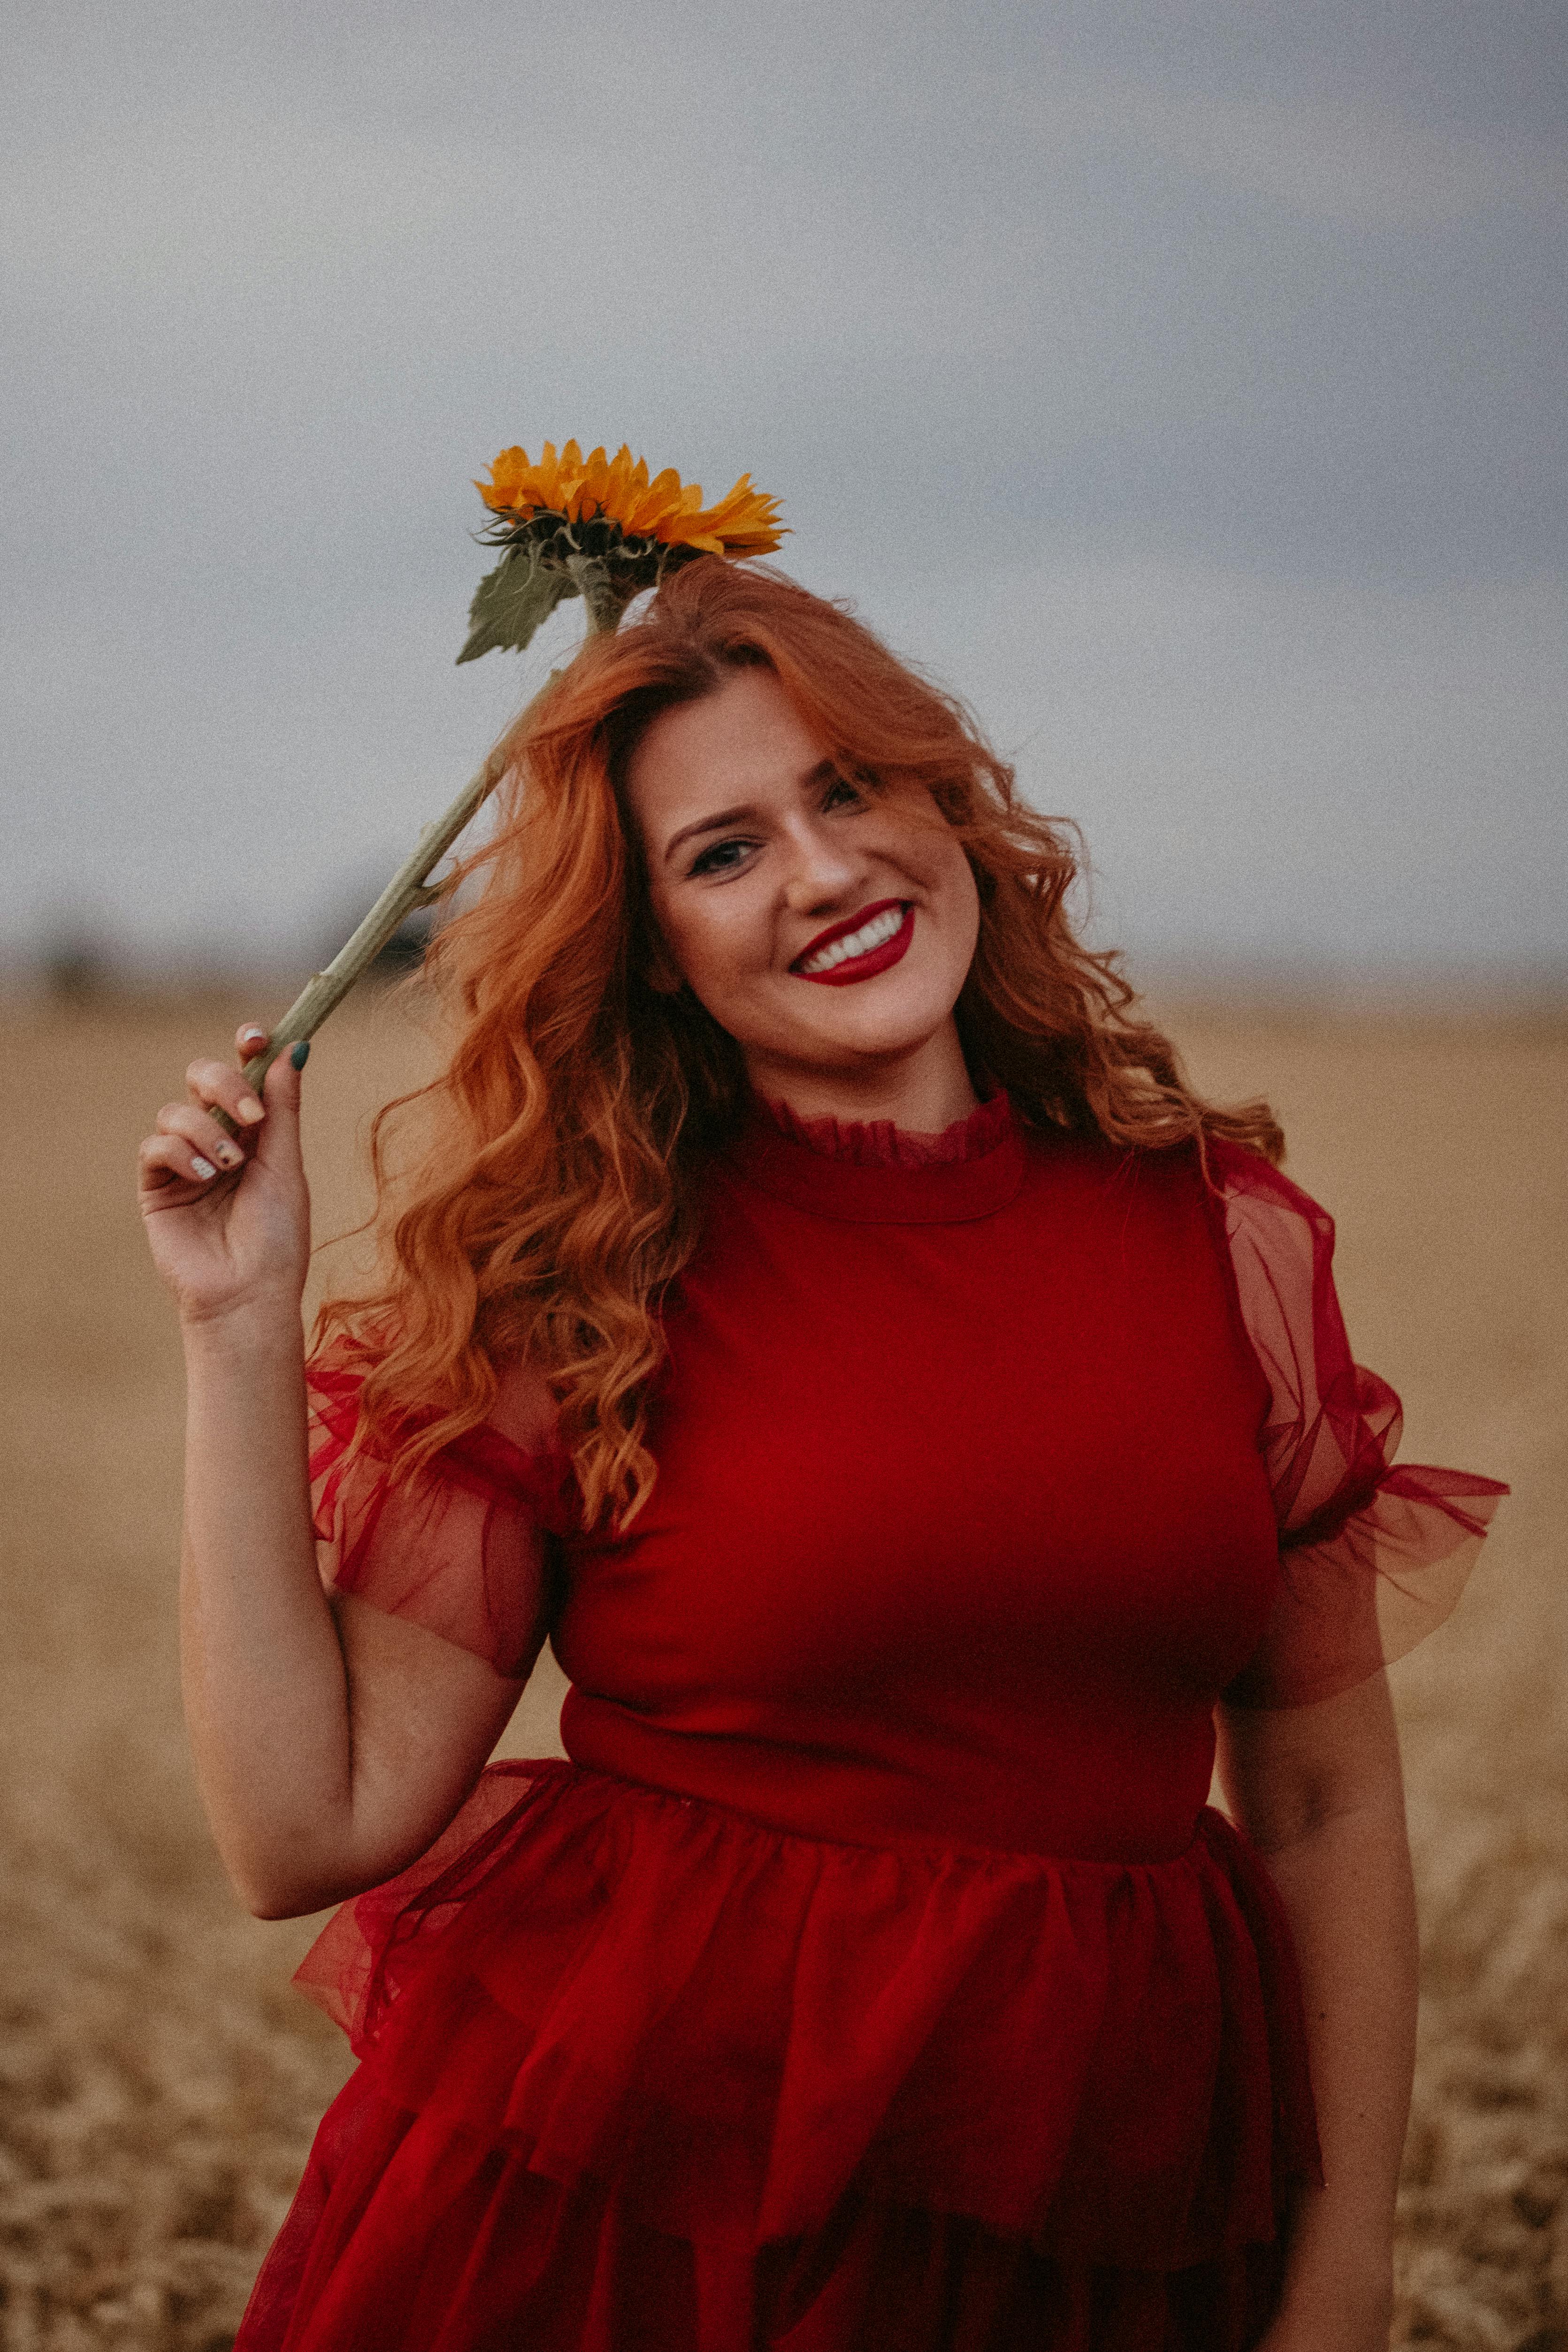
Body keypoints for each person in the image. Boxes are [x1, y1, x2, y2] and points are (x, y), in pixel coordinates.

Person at [138, 559, 1505, 2352]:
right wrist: (234, 1324)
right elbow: (301, 1826)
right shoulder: (587, 1288)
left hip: (1111, 2227)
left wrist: (1342, 2276)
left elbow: (1324, 1800)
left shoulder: (1217, 1237)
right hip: (653, 2244)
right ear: (655, 944)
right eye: (724, 851)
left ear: (948, 804)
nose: (823, 868)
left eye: (850, 788)